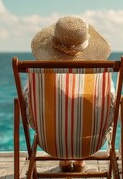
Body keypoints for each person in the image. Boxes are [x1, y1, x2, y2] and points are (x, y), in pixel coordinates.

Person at [24, 15, 112, 172]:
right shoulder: (100, 76)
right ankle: (79, 161)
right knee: (89, 104)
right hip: (89, 143)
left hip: (51, 142)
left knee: (56, 106)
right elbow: (110, 100)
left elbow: (28, 100)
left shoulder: (39, 76)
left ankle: (64, 160)